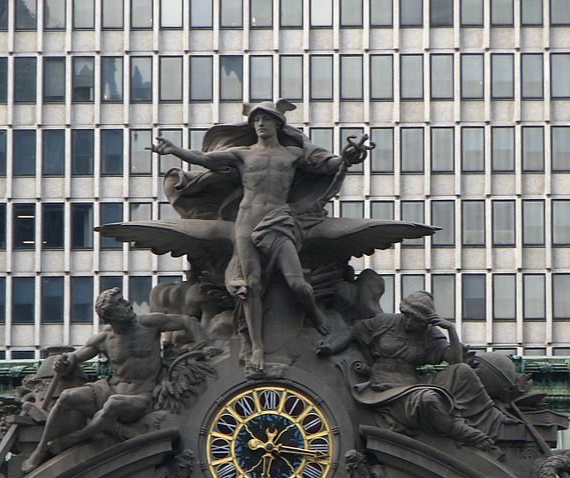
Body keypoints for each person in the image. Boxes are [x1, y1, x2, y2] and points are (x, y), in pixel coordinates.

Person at [151, 101, 363, 373]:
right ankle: (257, 347)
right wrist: (174, 150)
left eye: (265, 119)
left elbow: (330, 164)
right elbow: (204, 160)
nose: (260, 124)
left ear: (277, 123)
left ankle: (314, 313)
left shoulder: (293, 154)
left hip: (279, 221)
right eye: (256, 121)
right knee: (250, 287)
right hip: (247, 221)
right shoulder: (242, 154)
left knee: (298, 283)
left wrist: (348, 157)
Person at [21, 288, 206, 474]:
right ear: (110, 315)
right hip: (110, 389)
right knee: (67, 397)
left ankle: (76, 438)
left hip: (142, 397)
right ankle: (40, 450)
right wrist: (64, 361)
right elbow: (75, 358)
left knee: (113, 404)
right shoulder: (104, 339)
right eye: (121, 304)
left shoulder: (149, 323)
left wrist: (205, 348)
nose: (128, 305)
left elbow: (187, 321)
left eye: (124, 301)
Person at [316, 290, 516, 450]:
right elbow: (352, 332)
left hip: (413, 381)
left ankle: (494, 418)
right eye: (408, 315)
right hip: (385, 386)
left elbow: (454, 360)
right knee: (427, 399)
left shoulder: (430, 335)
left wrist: (451, 330)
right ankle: (458, 430)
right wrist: (331, 347)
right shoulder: (385, 322)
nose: (410, 322)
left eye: (416, 319)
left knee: (462, 371)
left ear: (427, 321)